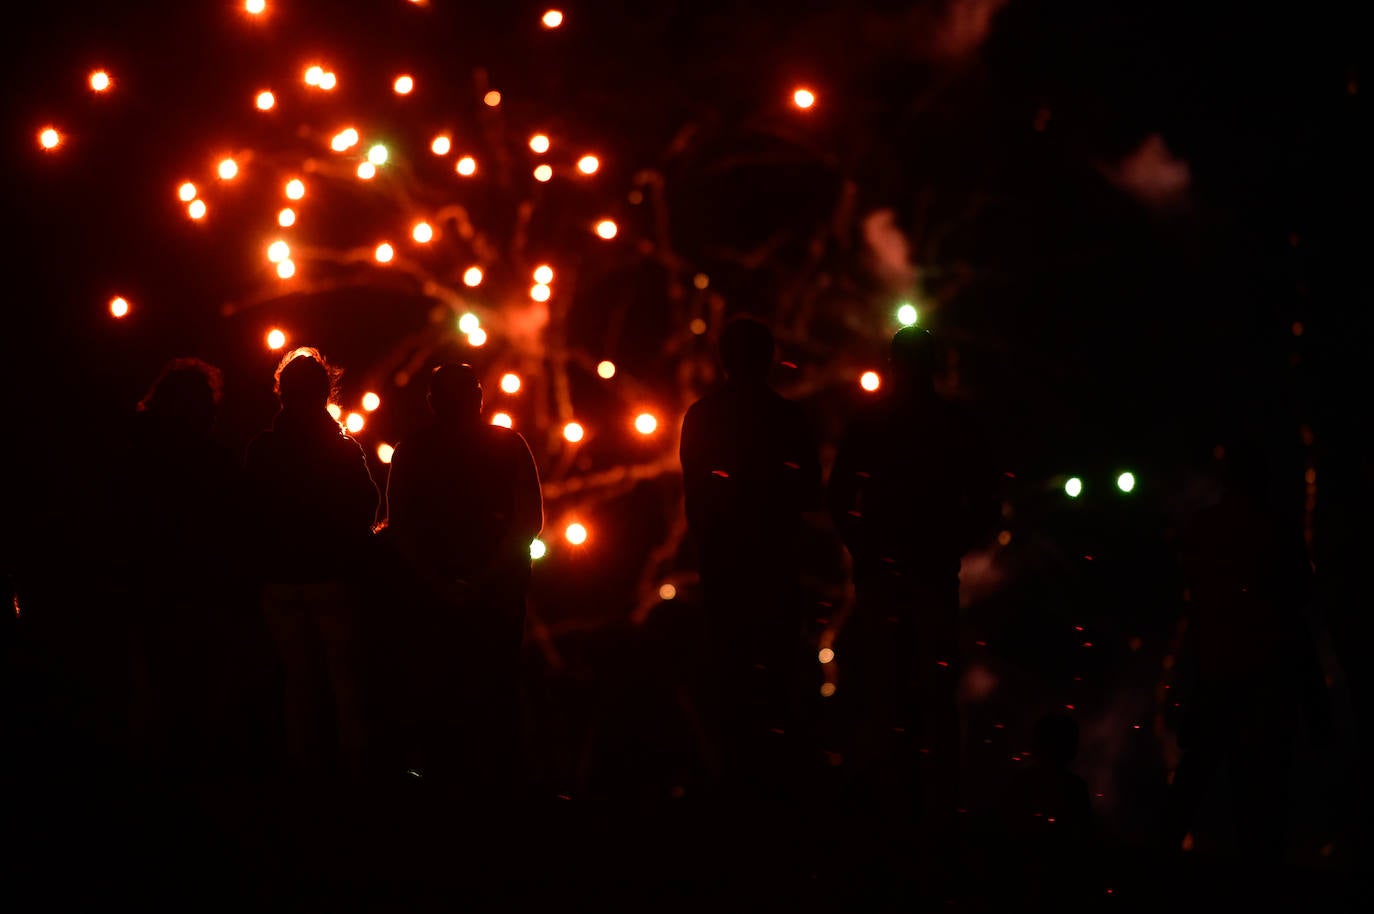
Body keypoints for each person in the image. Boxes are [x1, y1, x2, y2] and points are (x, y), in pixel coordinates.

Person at [826, 325, 1000, 834]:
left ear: (893, 364)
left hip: (890, 571)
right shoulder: (954, 423)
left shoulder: (873, 420)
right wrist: (952, 546)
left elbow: (838, 494)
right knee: (933, 688)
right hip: (928, 571)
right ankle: (935, 805)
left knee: (888, 684)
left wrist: (862, 545)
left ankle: (893, 803)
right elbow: (987, 501)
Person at [1162, 431, 1327, 871]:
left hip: (1221, 666)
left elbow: (1197, 601)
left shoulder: (1207, 527)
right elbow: (1300, 598)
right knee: (1264, 776)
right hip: (1267, 669)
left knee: (1201, 771)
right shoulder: (1274, 529)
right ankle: (1261, 874)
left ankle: (1156, 864)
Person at [384, 362, 543, 800]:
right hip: (499, 594)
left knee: (439, 690)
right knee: (498, 687)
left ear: (432, 400)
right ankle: (505, 787)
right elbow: (529, 521)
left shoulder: (412, 450)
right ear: (479, 397)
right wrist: (486, 578)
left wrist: (438, 583)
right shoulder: (509, 445)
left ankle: (445, 791)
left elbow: (400, 528)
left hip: (431, 598)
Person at [679, 315, 823, 796]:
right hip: (776, 560)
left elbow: (695, 496)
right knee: (778, 666)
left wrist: (715, 536)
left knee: (730, 667)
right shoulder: (788, 417)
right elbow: (810, 490)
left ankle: (734, 776)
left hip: (725, 562)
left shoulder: (702, 416)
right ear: (768, 359)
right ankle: (779, 773)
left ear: (723, 360)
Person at [243, 347, 379, 785]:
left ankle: (302, 772)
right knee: (345, 680)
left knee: (297, 680)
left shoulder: (263, 449)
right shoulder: (341, 450)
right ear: (325, 394)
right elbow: (368, 502)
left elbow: (247, 510)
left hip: (280, 581)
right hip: (332, 577)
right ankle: (354, 772)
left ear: (281, 394)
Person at [115, 357, 246, 781]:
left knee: (158, 689)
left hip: (152, 587)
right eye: (207, 401)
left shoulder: (134, 453)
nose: (214, 409)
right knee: (196, 694)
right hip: (198, 591)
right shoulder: (214, 461)